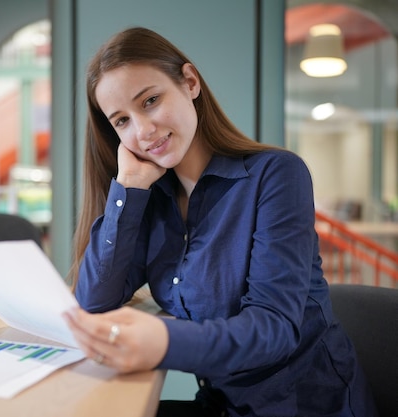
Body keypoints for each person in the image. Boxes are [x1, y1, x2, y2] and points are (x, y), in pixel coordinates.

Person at [62, 27, 378, 417]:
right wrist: (128, 187)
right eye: (122, 121)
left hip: (303, 406)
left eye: (151, 101)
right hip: (225, 403)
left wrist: (164, 340)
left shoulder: (276, 175)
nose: (142, 131)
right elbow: (94, 301)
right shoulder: (150, 197)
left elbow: (274, 328)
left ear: (190, 82)